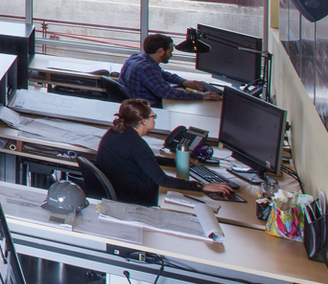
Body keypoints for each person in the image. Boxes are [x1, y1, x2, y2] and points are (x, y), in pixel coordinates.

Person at [94, 98, 232, 205]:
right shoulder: (136, 143)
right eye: (153, 116)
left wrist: (174, 162)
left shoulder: (117, 132)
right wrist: (202, 186)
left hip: (120, 188)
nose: (154, 119)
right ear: (143, 121)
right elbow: (163, 180)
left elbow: (145, 159)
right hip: (134, 198)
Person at [117, 33, 223, 105]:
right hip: (148, 109)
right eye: (170, 51)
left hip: (133, 105)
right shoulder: (147, 69)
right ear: (161, 51)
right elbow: (167, 93)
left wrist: (184, 82)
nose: (171, 55)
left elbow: (162, 74)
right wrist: (202, 96)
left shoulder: (135, 58)